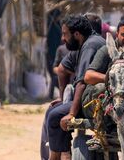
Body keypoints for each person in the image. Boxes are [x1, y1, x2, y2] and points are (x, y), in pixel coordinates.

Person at [45, 15, 106, 160]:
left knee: (54, 116)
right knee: (54, 110)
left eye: (65, 34)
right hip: (94, 99)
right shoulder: (90, 42)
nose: (62, 38)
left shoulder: (90, 46)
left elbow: (82, 83)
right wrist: (63, 101)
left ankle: (59, 156)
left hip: (96, 103)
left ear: (77, 34)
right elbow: (62, 69)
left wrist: (71, 113)